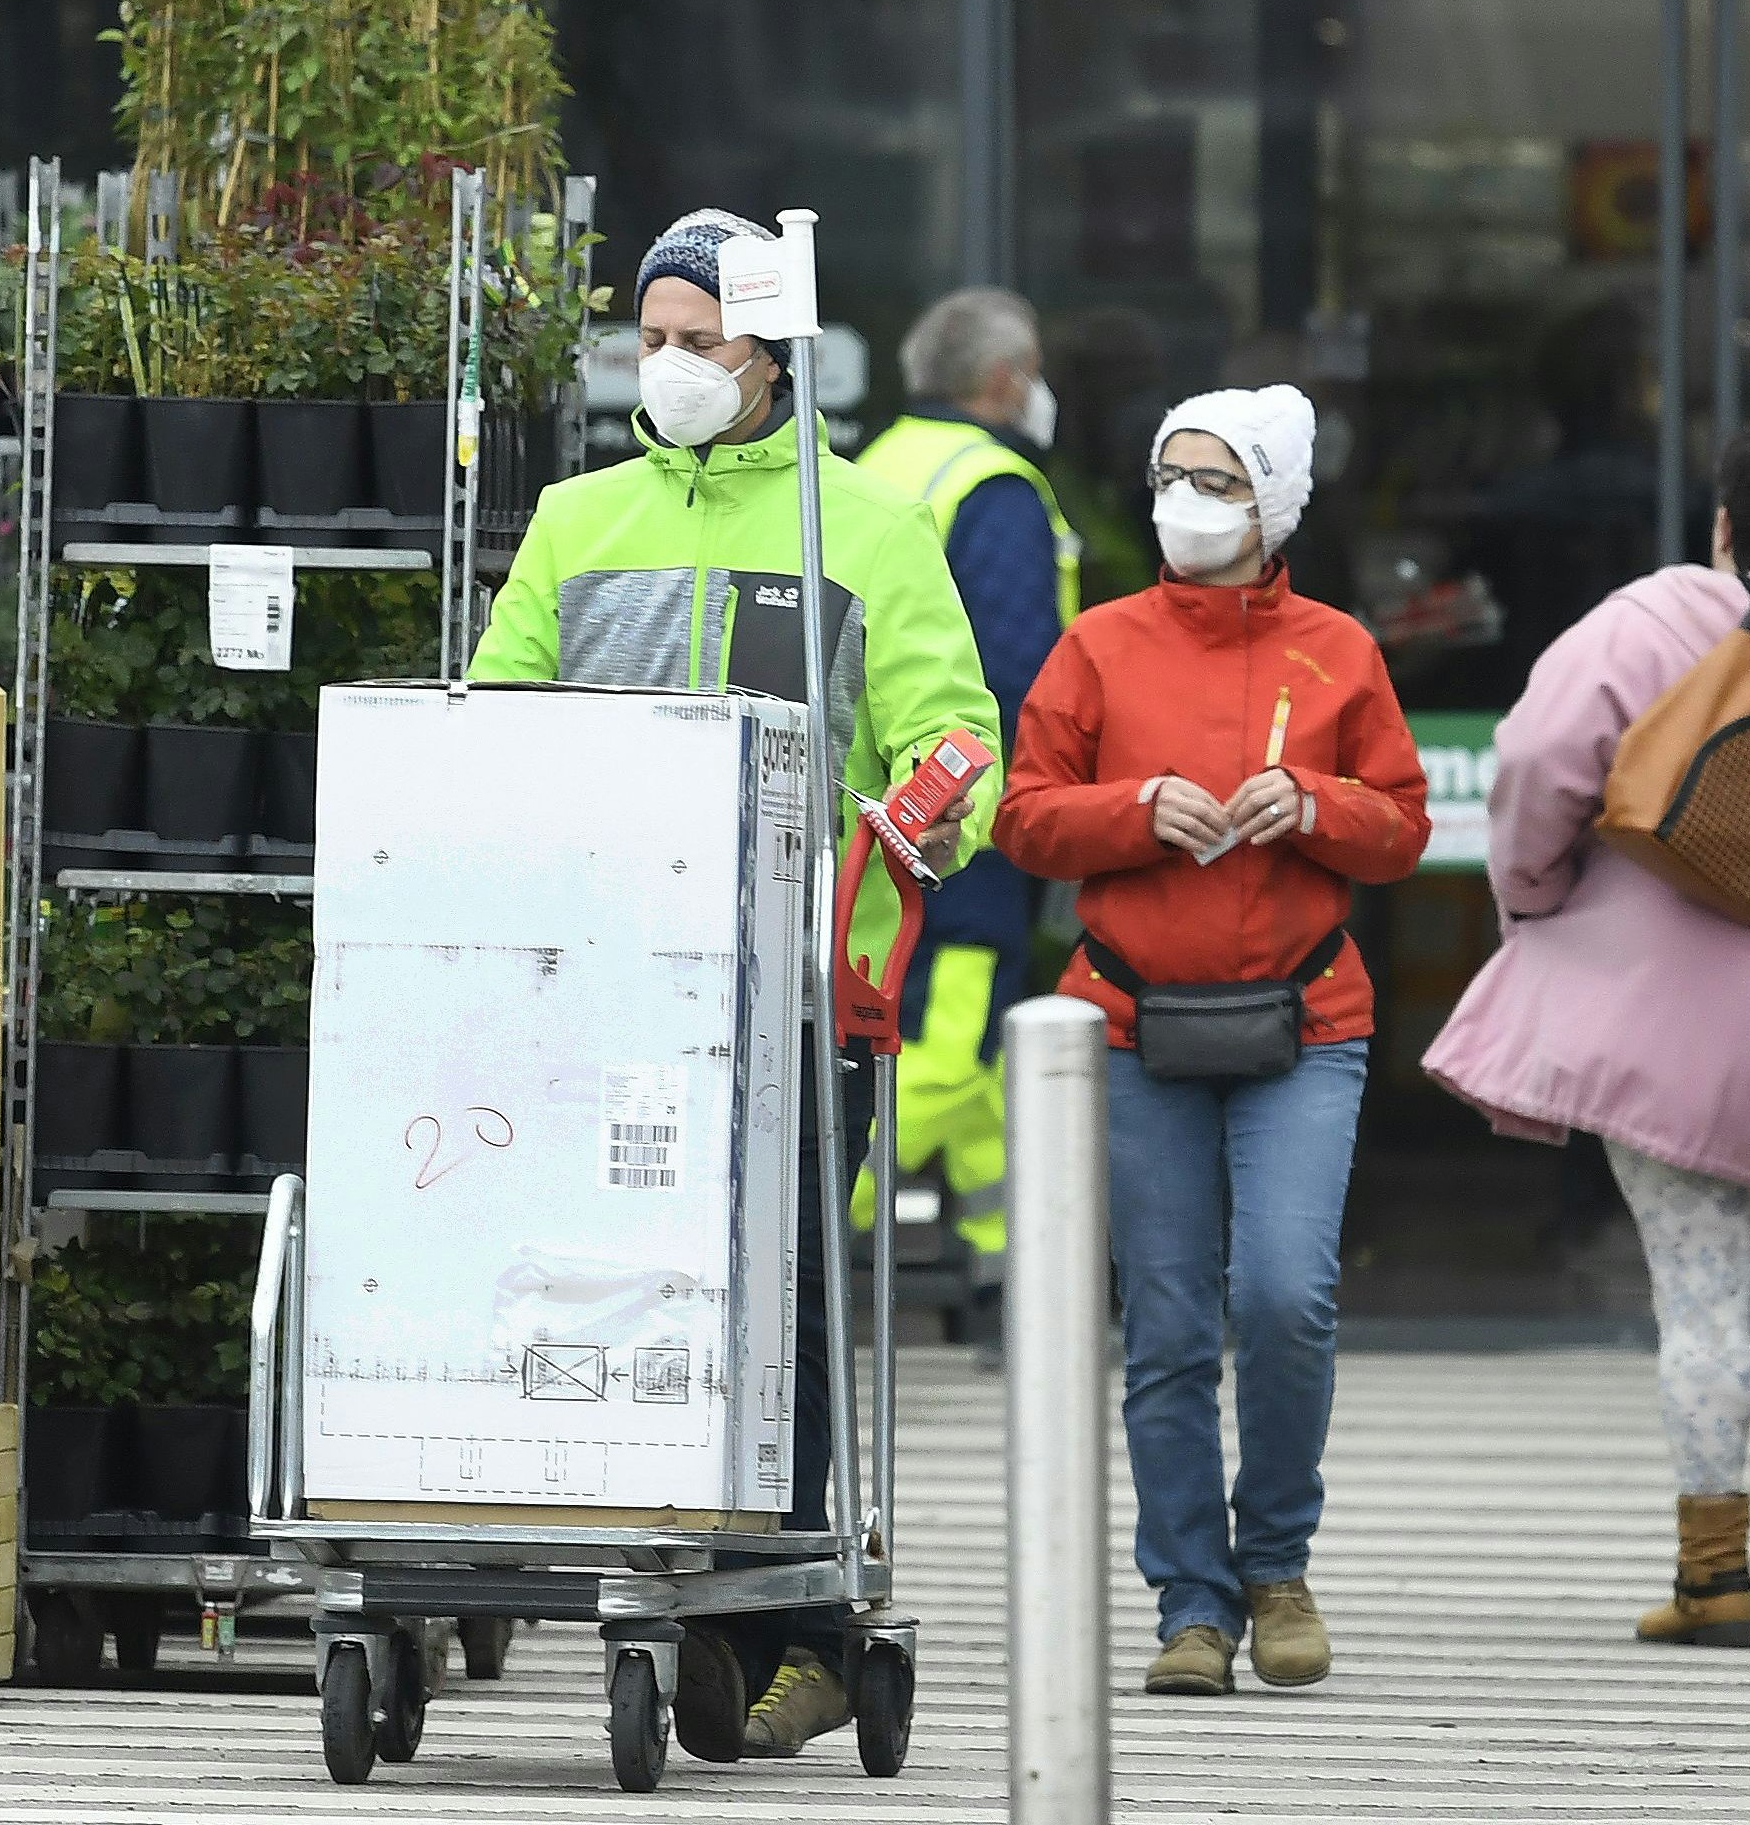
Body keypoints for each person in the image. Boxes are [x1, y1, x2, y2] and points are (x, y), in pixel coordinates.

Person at [469, 208, 1004, 1762]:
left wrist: (928, 808)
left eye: (702, 342)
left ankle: (799, 1624)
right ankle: (686, 1597)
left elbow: (952, 742)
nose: (674, 366)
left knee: (777, 1291)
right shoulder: (576, 520)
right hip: (603, 989)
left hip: (789, 990)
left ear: (774, 354)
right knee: (613, 1280)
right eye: (655, 340)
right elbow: (500, 722)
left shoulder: (868, 533)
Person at [1424, 417, 1750, 1645]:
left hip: (1691, 1027)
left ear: (1722, 525)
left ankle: (1710, 1572)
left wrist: (1532, 892)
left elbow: (1541, 756)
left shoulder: (1654, 620)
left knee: (1696, 1289)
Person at [997, 384, 1428, 1696]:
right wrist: (1135, 811)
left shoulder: (1339, 651)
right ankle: (1192, 1602)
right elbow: (1023, 818)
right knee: (1170, 1323)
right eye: (1172, 475)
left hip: (1307, 1020)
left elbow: (1401, 827)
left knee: (1283, 1298)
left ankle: (1276, 1562)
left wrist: (1307, 800)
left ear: (1275, 504)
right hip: (1130, 1023)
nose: (1188, 501)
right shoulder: (1097, 647)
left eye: (1220, 480)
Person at [852, 286, 1076, 1360]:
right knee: (950, 1041)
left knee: (963, 1049)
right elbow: (1019, 667)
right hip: (963, 820)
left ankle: (997, 1274)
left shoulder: (876, 462)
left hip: (873, 804)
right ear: (1005, 380)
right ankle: (810, 1216)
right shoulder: (995, 487)